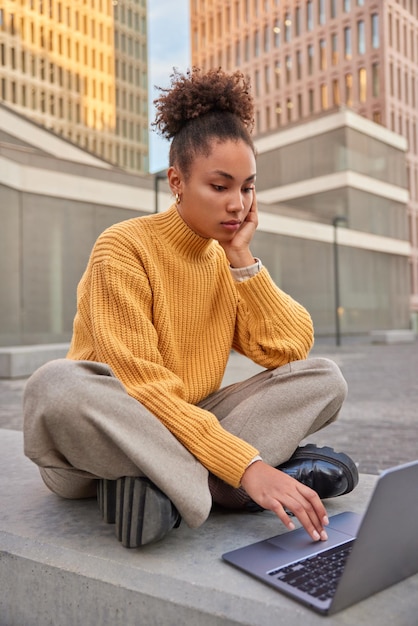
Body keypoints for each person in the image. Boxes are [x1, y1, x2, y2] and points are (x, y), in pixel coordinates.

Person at [23, 68, 358, 549]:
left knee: (324, 377)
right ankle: (223, 486)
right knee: (55, 385)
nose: (237, 205)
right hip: (110, 431)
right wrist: (250, 466)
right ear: (177, 181)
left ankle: (162, 489)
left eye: (247, 188)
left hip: (188, 421)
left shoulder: (226, 259)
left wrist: (243, 259)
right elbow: (142, 387)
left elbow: (289, 350)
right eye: (220, 187)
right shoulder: (123, 247)